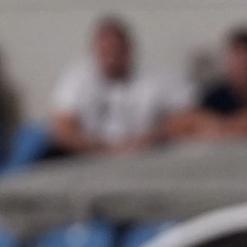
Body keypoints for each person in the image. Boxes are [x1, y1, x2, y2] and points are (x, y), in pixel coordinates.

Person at [48, 16, 187, 156]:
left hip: (147, 155)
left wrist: (155, 137)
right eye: (106, 51)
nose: (112, 57)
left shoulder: (157, 77)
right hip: (91, 156)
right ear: (95, 51)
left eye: (116, 49)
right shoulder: (76, 79)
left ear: (128, 49)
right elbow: (61, 128)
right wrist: (100, 147)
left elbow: (188, 119)